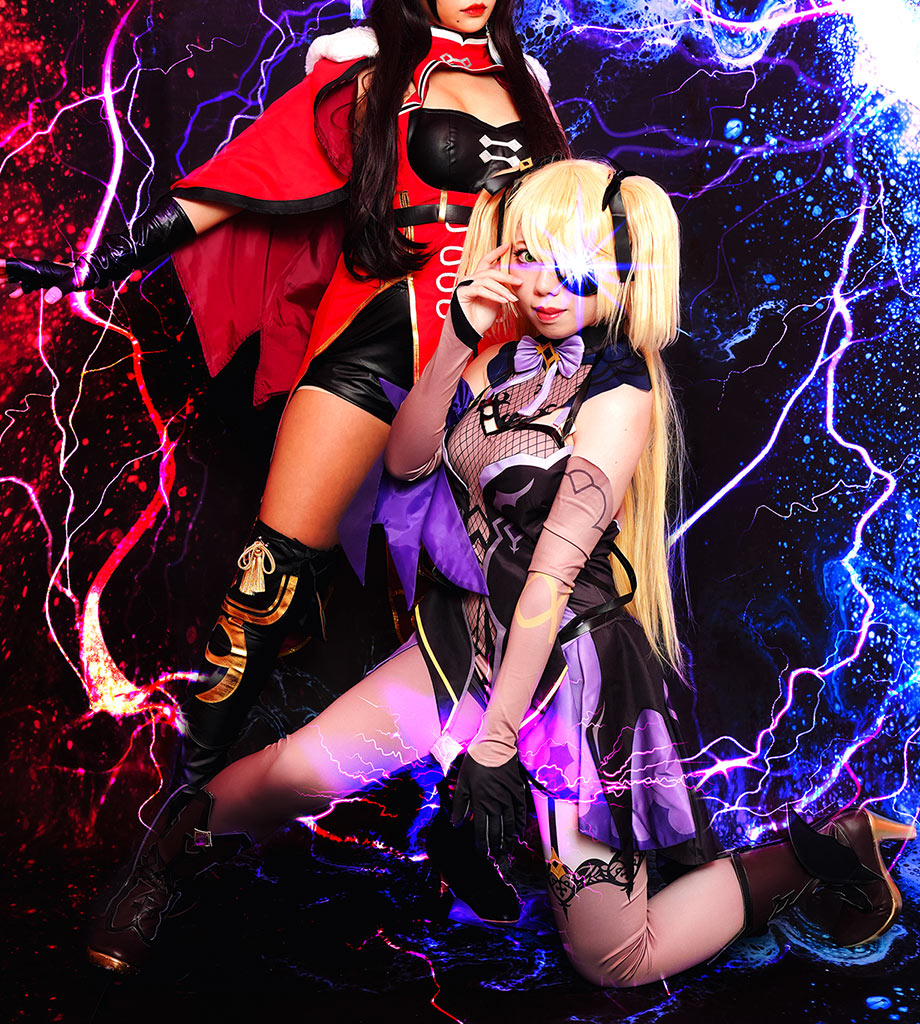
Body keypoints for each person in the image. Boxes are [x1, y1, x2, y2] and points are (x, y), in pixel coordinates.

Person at [85, 158, 914, 982]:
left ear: (626, 275)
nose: (546, 287)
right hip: (464, 637)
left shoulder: (619, 394)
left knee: (614, 958)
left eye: (575, 267)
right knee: (292, 772)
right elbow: (407, 464)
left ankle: (814, 856)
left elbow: (550, 578)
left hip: (572, 676)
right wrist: (455, 338)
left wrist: (495, 740)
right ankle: (158, 866)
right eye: (529, 256)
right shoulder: (498, 359)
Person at [1, 0, 568, 869]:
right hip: (377, 337)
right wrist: (108, 260)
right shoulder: (368, 76)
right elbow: (245, 180)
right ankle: (169, 834)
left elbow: (568, 227)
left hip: (496, 362)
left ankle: (487, 829)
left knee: (497, 595)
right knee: (264, 587)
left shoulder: (530, 88)